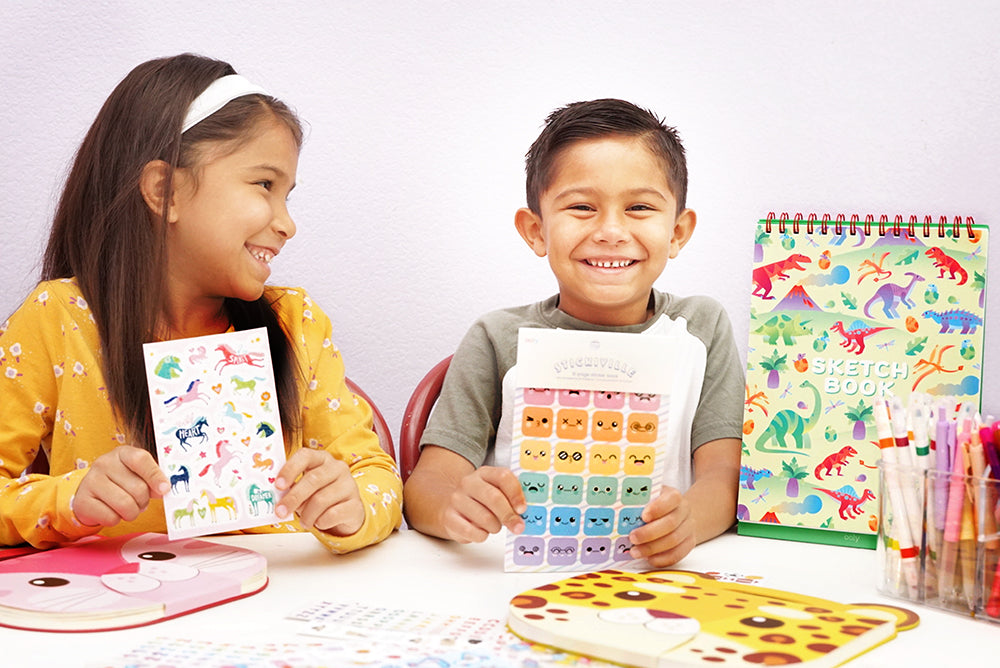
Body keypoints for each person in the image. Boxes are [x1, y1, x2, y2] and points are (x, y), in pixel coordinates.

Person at [0, 54, 401, 552]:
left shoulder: (295, 322)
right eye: (265, 185)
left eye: (288, 195)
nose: (287, 223)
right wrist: (67, 500)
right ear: (164, 190)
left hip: (279, 601)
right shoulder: (58, 320)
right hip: (130, 611)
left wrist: (351, 506)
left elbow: (377, 476)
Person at [403, 99, 744, 567]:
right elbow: (426, 486)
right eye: (582, 207)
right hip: (512, 585)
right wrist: (453, 509)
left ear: (678, 232)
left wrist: (689, 522)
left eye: (639, 207)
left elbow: (726, 477)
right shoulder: (496, 337)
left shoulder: (702, 328)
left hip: (662, 580)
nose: (610, 231)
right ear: (536, 230)